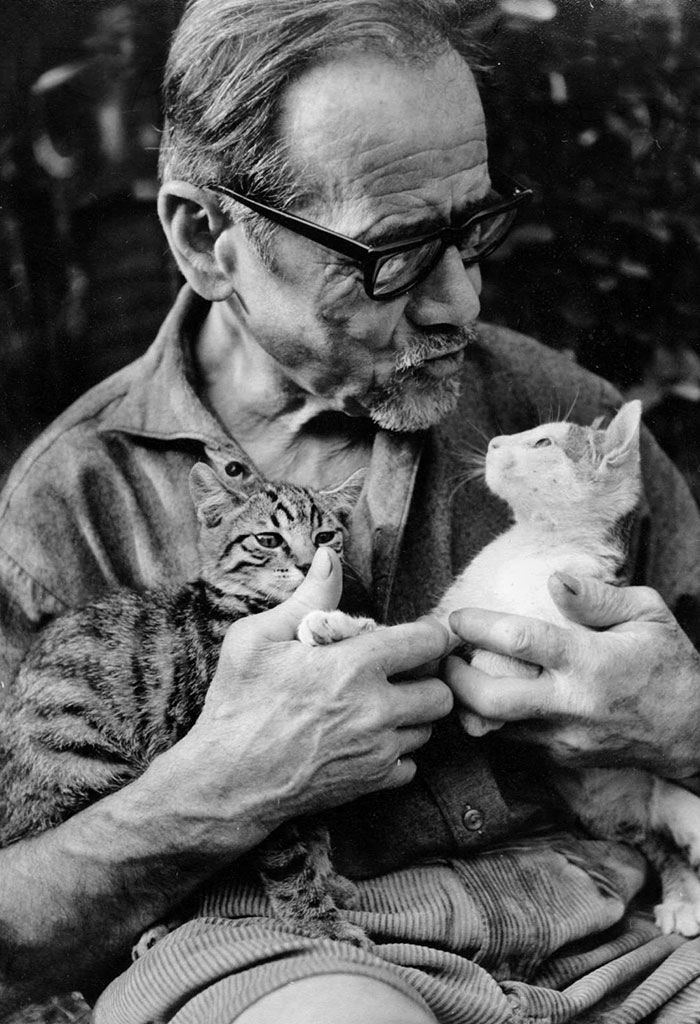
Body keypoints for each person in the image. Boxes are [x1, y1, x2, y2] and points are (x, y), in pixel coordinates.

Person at [2, 1, 700, 1021]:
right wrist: (211, 788)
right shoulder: (74, 506)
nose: (461, 302)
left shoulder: (560, 418)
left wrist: (684, 716)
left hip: (615, 945)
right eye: (393, 252)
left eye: (474, 228)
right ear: (208, 238)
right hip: (291, 955)